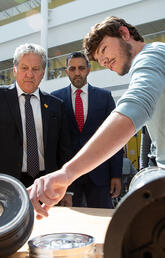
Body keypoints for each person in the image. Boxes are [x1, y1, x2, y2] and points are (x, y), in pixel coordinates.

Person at [28, 16, 165, 219]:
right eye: (100, 60)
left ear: (124, 34)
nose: (104, 61)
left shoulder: (151, 56)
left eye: (103, 50)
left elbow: (135, 106)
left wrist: (68, 173)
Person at [1, 43, 72, 204]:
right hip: (6, 185)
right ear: (15, 70)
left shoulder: (56, 105)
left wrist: (68, 189)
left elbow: (64, 150)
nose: (29, 74)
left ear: (43, 72)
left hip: (46, 185)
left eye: (36, 69)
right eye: (24, 68)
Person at [51, 51, 123, 208]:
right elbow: (53, 142)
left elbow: (115, 137)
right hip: (68, 177)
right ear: (66, 71)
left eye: (81, 68)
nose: (77, 73)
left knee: (102, 221)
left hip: (100, 175)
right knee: (70, 226)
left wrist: (116, 175)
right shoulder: (55, 99)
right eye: (72, 69)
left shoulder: (104, 97)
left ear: (89, 70)